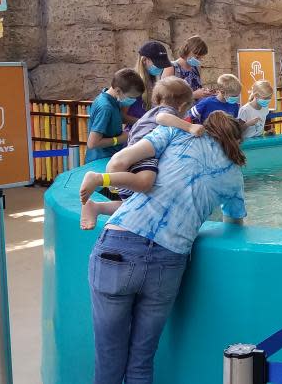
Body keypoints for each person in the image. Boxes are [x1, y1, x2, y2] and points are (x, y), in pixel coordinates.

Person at [88, 111, 247, 384]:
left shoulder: (176, 134)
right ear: (236, 141)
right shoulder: (233, 175)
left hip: (120, 245)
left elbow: (120, 160)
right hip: (169, 261)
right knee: (141, 359)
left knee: (109, 356)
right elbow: (235, 222)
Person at [79, 77, 203, 230]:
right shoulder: (166, 112)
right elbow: (163, 118)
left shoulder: (150, 112)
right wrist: (189, 127)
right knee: (145, 183)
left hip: (130, 152)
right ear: (183, 105)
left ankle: (96, 207)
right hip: (142, 154)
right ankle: (99, 178)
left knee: (132, 204)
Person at [86, 69, 146, 164]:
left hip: (111, 156)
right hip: (101, 160)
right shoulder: (105, 108)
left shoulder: (112, 99)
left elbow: (119, 117)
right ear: (118, 90)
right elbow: (92, 143)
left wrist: (143, 122)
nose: (134, 101)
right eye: (131, 97)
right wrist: (119, 139)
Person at [124, 41, 173, 124]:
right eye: (158, 65)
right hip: (137, 130)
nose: (161, 68)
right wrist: (145, 122)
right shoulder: (131, 82)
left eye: (162, 65)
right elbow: (122, 116)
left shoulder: (154, 80)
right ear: (144, 60)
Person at [163, 35, 212, 101]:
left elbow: (196, 88)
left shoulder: (196, 68)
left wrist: (204, 92)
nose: (200, 60)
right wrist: (193, 95)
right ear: (187, 51)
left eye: (201, 57)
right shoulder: (171, 67)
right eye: (197, 57)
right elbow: (165, 95)